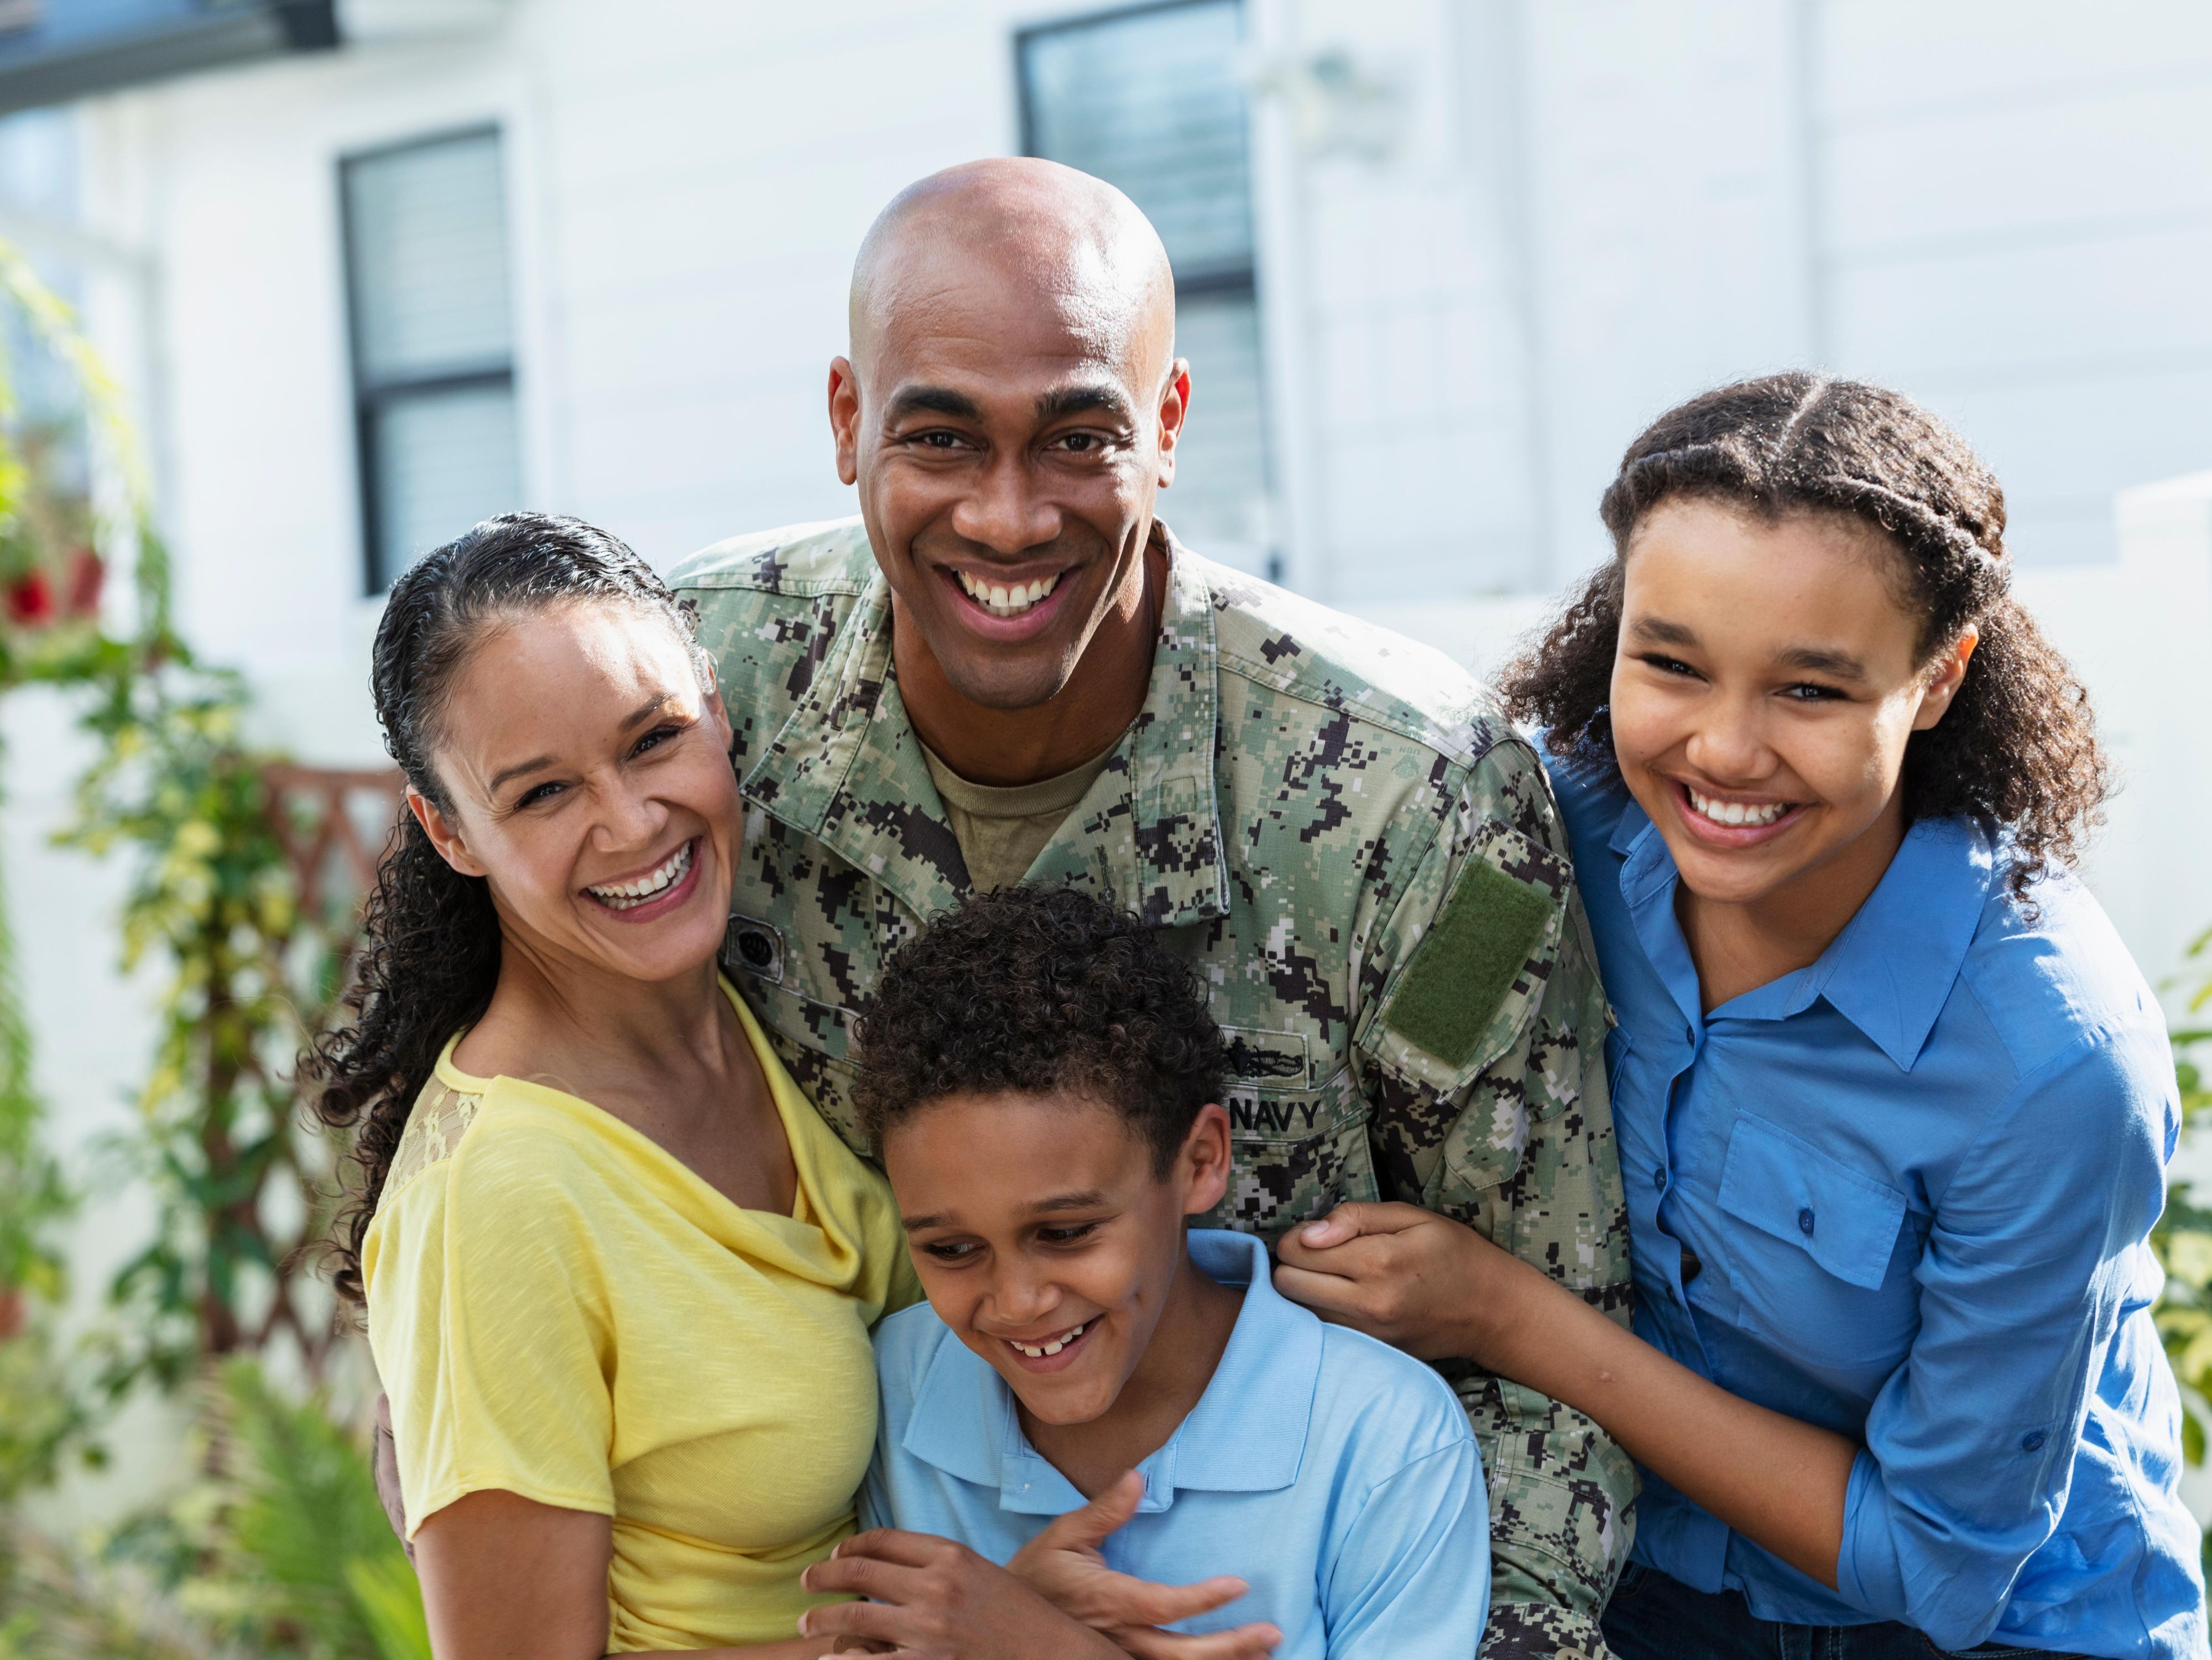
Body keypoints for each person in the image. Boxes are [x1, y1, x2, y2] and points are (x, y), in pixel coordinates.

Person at [673, 155, 1631, 1660]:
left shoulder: (1417, 806)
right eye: (939, 436)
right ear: (849, 420)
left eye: (1077, 438)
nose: (1006, 516)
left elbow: (1551, 1357)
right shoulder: (682, 708)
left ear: (1170, 426)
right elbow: (482, 1047)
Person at [1288, 374, 2204, 1658]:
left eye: (1810, 692)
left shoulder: (2050, 1064)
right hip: (1647, 1572)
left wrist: (1500, 1313)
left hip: (1991, 1623)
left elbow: (1928, 1555)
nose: (1720, 750)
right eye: (1669, 662)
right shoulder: (1530, 852)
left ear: (1937, 678)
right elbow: (1419, 1062)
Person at [316, 513, 1157, 1659]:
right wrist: (966, 1641)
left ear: (714, 705)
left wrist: (1007, 1601)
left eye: (653, 737)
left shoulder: (780, 1002)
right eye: (542, 794)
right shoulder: (500, 1195)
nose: (629, 822)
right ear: (450, 832)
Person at [795, 885, 1488, 1658]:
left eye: (1066, 1231)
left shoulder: (1385, 1442)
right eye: (952, 1249)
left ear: (1200, 1162)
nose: (1019, 1301)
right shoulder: (905, 1386)